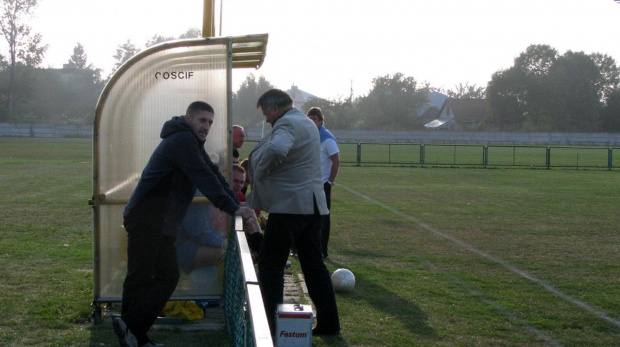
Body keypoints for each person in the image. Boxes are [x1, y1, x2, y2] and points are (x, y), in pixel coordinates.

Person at [114, 101, 255, 347]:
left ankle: (132, 331)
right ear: (188, 118)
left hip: (164, 222)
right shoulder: (181, 141)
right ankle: (134, 333)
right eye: (202, 120)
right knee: (142, 276)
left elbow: (213, 174)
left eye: (210, 122)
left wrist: (235, 203)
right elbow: (203, 176)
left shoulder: (191, 142)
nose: (206, 126)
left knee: (166, 276)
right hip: (147, 218)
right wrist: (233, 207)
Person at [247, 89, 340, 336]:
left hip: (289, 207)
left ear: (275, 109)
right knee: (314, 265)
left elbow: (277, 150)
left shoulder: (286, 123)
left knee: (270, 266)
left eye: (267, 113)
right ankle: (330, 324)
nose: (267, 119)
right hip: (313, 206)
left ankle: (269, 322)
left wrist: (260, 171)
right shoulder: (307, 123)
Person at [306, 107, 340, 258]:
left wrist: (329, 182)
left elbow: (336, 161)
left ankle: (322, 250)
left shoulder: (327, 138)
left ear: (320, 121)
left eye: (314, 119)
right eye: (309, 119)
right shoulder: (307, 136)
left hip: (322, 184)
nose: (312, 122)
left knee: (323, 218)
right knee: (305, 216)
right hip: (307, 183)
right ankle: (304, 248)